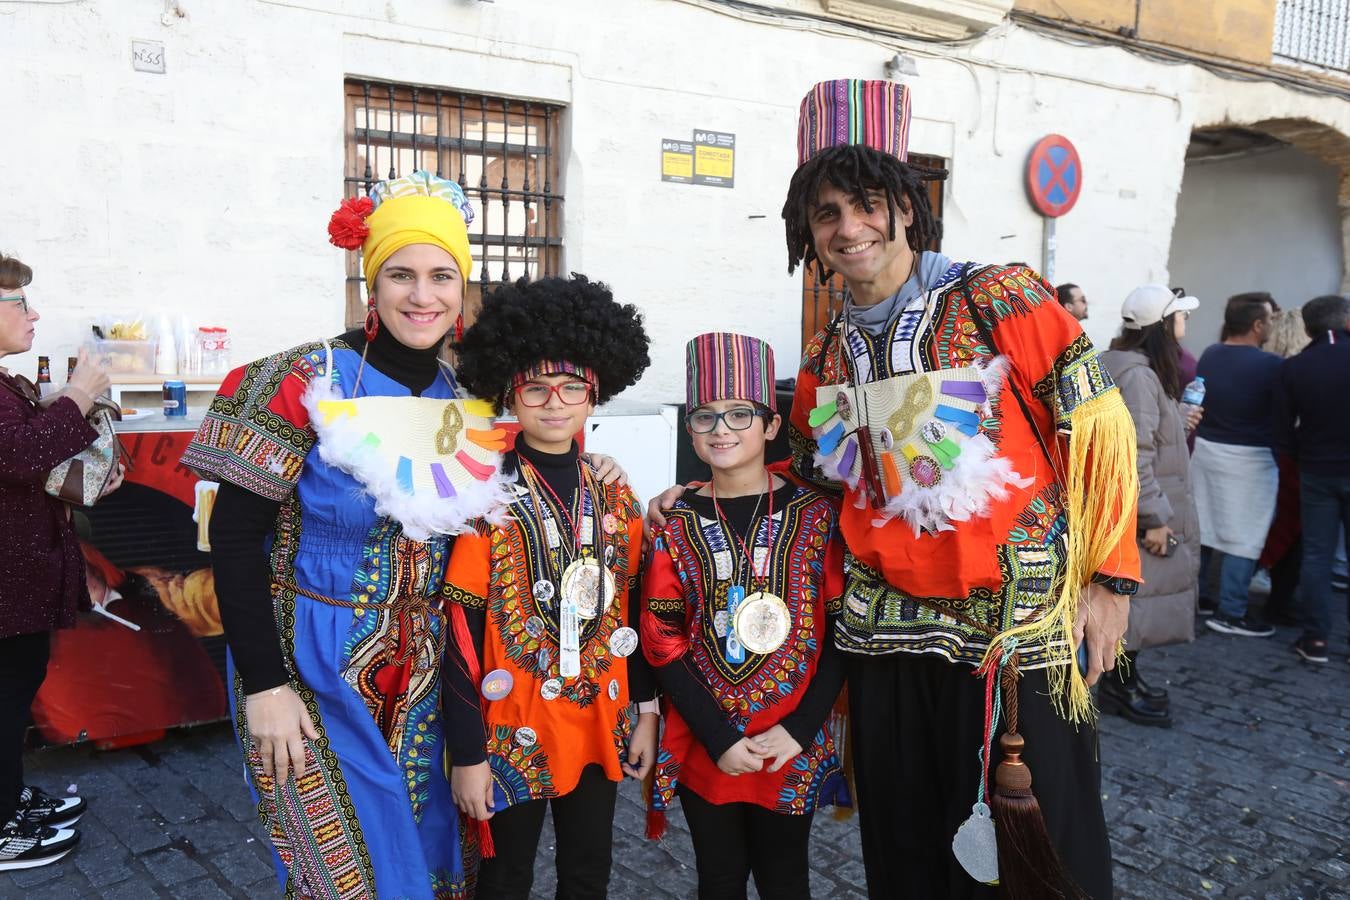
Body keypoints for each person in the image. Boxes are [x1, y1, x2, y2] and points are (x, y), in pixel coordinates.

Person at [654, 79, 1139, 898]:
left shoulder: (999, 298)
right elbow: (808, 474)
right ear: (807, 232)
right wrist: (702, 491)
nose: (850, 228)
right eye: (827, 214)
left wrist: (1111, 580)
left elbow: (1097, 427)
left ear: (907, 209)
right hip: (883, 639)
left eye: (868, 205)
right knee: (906, 853)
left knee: (1035, 854)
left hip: (1015, 633)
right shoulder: (825, 357)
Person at [181, 172, 505, 898]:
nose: (422, 296)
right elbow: (233, 542)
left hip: (427, 677)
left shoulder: (465, 399)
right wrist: (265, 685)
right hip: (309, 664)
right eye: (401, 275)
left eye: (441, 277)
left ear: (462, 290)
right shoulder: (300, 381)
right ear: (370, 285)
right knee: (342, 879)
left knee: (428, 862)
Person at [444, 274, 655, 899]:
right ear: (510, 393)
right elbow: (458, 631)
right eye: (535, 387)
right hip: (512, 728)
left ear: (595, 395)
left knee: (588, 872)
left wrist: (646, 713)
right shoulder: (486, 499)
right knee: (504, 878)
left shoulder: (617, 495)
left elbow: (633, 612)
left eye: (572, 387)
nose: (554, 403)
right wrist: (468, 754)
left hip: (598, 719)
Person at [641, 332, 848, 899]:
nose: (721, 429)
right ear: (690, 430)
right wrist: (717, 736)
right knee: (719, 879)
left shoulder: (819, 515)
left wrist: (799, 730)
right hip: (705, 736)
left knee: (787, 881)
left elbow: (839, 633)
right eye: (705, 417)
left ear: (771, 425)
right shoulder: (675, 521)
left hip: (790, 738)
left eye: (739, 414)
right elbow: (661, 639)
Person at [0, 252, 121, 870]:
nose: (34, 314)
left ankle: (8, 795)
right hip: (7, 579)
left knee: (15, 687)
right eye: (20, 302)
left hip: (16, 575)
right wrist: (78, 394)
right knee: (5, 693)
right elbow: (19, 457)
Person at [1100, 285, 1202, 728]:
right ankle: (1118, 688)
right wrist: (1154, 518)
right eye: (1179, 316)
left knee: (1133, 600)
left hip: (1131, 509)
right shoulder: (1139, 375)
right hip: (1140, 514)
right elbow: (1133, 454)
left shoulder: (1122, 363)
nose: (1185, 323)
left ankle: (1125, 682)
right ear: (1161, 325)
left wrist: (1176, 421)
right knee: (1134, 602)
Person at [1193, 293, 1282, 638]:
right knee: (1245, 534)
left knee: (1204, 527)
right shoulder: (1271, 365)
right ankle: (1231, 611)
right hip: (1251, 457)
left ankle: (1198, 596)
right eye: (1269, 320)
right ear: (1257, 324)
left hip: (1207, 450)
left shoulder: (1210, 354)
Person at [1273, 294, 1350, 664]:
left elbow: (1282, 429)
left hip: (1316, 468)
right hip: (1322, 467)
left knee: (1317, 556)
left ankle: (1315, 638)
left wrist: (1301, 455)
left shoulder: (1296, 366)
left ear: (1307, 328)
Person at [1257, 306, 1312, 625]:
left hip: (1262, 452)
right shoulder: (1299, 370)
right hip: (1290, 458)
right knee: (1291, 528)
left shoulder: (1266, 365)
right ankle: (1277, 594)